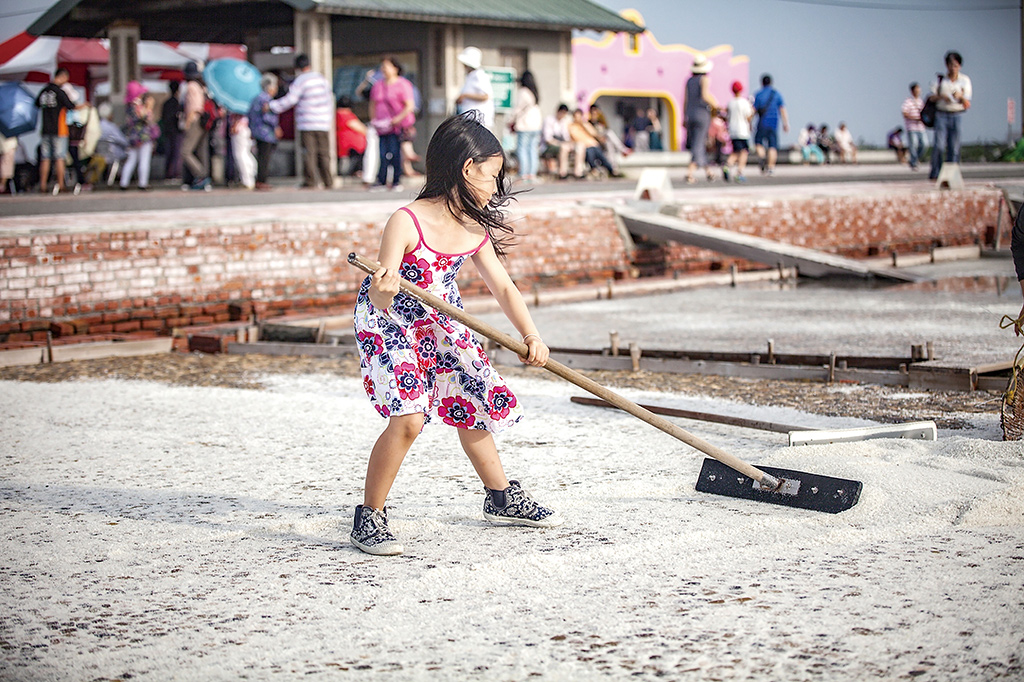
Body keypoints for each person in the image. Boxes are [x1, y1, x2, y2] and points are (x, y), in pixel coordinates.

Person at [350, 112, 564, 556]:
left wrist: (531, 335)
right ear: (467, 169)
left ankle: (501, 498)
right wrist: (384, 288)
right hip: (390, 323)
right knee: (409, 417)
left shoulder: (473, 225)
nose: (495, 187)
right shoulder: (405, 221)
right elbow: (382, 294)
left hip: (442, 320)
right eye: (491, 176)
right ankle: (369, 516)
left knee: (477, 402)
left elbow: (503, 286)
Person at [270, 53, 335, 189]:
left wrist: (272, 106)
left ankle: (311, 182)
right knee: (324, 152)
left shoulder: (300, 81)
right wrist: (328, 118)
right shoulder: (321, 79)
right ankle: (328, 181)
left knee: (309, 153)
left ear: (297, 67)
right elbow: (330, 98)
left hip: (307, 122)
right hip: (323, 122)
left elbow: (291, 100)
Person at [369, 55, 416, 191]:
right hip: (381, 125)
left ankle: (396, 180)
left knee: (395, 152)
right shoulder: (378, 85)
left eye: (387, 66)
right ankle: (381, 180)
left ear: (395, 68)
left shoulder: (403, 84)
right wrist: (374, 119)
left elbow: (409, 105)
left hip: (397, 125)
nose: (384, 69)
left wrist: (397, 119)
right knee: (382, 152)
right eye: (383, 66)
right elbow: (373, 104)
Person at [34, 67, 80, 194]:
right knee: (60, 157)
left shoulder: (44, 91)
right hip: (59, 129)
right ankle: (61, 184)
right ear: (63, 76)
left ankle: (43, 185)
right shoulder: (59, 91)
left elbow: (36, 104)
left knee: (45, 158)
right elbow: (71, 106)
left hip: (45, 129)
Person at [929, 50, 971, 181]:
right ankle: (936, 172)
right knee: (939, 145)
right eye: (950, 65)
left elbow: (968, 101)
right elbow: (931, 97)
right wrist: (942, 96)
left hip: (956, 114)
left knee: (954, 147)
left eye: (955, 65)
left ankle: (952, 175)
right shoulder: (941, 80)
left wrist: (960, 97)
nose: (953, 68)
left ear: (959, 66)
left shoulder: (964, 80)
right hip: (941, 114)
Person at [683, 53, 718, 183]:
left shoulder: (689, 81)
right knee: (698, 143)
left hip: (690, 114)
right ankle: (690, 173)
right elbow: (705, 96)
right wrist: (716, 106)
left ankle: (708, 172)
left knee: (698, 143)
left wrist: (684, 117)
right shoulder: (704, 79)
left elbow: (685, 100)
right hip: (701, 114)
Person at [120, 87, 160, 191]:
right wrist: (149, 107)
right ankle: (143, 183)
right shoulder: (137, 106)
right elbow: (145, 117)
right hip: (143, 137)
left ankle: (124, 182)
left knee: (131, 160)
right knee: (144, 160)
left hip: (133, 137)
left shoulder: (128, 107)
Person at [180, 61, 211, 191]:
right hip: (205, 122)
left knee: (185, 151)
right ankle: (203, 179)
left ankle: (201, 174)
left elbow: (194, 107)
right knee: (201, 151)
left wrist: (187, 123)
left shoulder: (191, 86)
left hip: (195, 120)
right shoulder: (202, 86)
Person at [248, 72, 281, 191]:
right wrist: (276, 126)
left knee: (260, 156)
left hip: (257, 131)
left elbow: (250, 115)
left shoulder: (256, 98)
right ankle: (262, 180)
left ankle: (260, 180)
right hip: (266, 132)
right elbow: (267, 116)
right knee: (264, 158)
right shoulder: (266, 99)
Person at [752, 73, 789, 176]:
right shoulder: (777, 94)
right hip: (774, 124)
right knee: (773, 146)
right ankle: (771, 168)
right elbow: (782, 109)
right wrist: (786, 123)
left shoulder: (758, 94)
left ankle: (762, 157)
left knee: (758, 143)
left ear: (761, 83)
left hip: (761, 123)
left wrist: (749, 123)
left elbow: (753, 110)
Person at [509, 70, 542, 182]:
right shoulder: (535, 93)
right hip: (536, 125)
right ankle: (532, 173)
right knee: (532, 149)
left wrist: (511, 120)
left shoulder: (523, 92)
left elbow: (517, 109)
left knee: (522, 149)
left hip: (525, 125)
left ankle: (523, 173)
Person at [568, 108, 617, 178]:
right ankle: (594, 168)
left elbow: (594, 133)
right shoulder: (572, 126)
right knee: (590, 152)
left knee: (600, 155)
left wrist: (584, 126)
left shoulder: (586, 124)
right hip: (584, 146)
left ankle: (610, 169)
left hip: (593, 144)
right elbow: (575, 137)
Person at [454, 46, 493, 131]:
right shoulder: (470, 76)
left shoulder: (479, 75)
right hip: (469, 120)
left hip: (479, 121)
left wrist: (465, 96)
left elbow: (485, 96)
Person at [724, 80, 753, 182]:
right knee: (743, 152)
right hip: (742, 130)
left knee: (736, 151)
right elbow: (748, 117)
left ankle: (727, 165)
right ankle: (739, 172)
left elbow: (726, 116)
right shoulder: (744, 102)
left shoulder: (730, 103)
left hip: (733, 129)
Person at [335, 95, 367, 178]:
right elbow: (360, 128)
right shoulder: (346, 115)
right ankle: (357, 171)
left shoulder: (335, 115)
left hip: (341, 144)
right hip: (352, 146)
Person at [541, 104, 573, 179]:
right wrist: (560, 144)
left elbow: (566, 137)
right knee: (564, 148)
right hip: (547, 146)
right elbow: (548, 139)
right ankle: (562, 172)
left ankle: (577, 172)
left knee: (577, 147)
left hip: (560, 144)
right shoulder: (549, 120)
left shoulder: (563, 122)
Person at [160, 81, 183, 180]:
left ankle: (167, 173)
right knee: (176, 153)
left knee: (169, 153)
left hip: (167, 131)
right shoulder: (176, 103)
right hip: (176, 131)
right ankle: (173, 173)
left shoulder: (166, 103)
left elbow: (163, 117)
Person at [901, 82, 926, 171]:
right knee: (913, 145)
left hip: (921, 127)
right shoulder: (908, 101)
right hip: (912, 127)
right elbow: (904, 113)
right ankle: (914, 162)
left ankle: (915, 159)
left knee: (924, 145)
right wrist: (914, 118)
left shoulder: (921, 102)